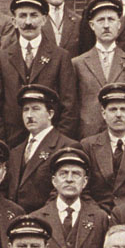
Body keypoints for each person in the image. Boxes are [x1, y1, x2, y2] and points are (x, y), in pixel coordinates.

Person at [0, 0, 79, 146]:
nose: (28, 22)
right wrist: (0, 144)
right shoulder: (1, 59)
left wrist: (57, 143)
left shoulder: (60, 57)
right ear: (14, 21)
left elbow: (69, 106)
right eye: (22, 16)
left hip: (50, 142)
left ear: (44, 20)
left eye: (34, 15)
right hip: (11, 143)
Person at [30, 147, 111, 248]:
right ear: (54, 181)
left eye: (76, 174)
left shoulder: (100, 218)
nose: (69, 179)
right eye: (63, 174)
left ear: (84, 182)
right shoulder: (37, 219)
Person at [74, 0, 125, 139]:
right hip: (88, 135)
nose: (106, 25)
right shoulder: (78, 63)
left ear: (119, 24)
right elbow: (73, 105)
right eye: (100, 20)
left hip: (124, 134)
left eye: (111, 20)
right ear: (92, 25)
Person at [7, 84, 80, 212]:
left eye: (35, 109)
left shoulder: (66, 146)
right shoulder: (16, 151)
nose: (29, 115)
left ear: (50, 114)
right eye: (26, 110)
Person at [82, 82, 125, 213]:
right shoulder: (88, 146)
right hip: (97, 215)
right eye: (113, 109)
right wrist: (98, 214)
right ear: (103, 113)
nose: (118, 114)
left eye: (124, 109)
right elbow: (83, 188)